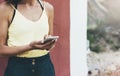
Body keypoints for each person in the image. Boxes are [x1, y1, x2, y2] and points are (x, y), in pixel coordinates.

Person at [0, 0, 57, 76]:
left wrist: (49, 44)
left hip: (45, 68)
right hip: (17, 68)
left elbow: (50, 43)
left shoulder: (48, 8)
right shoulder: (6, 9)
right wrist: (30, 47)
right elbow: (1, 50)